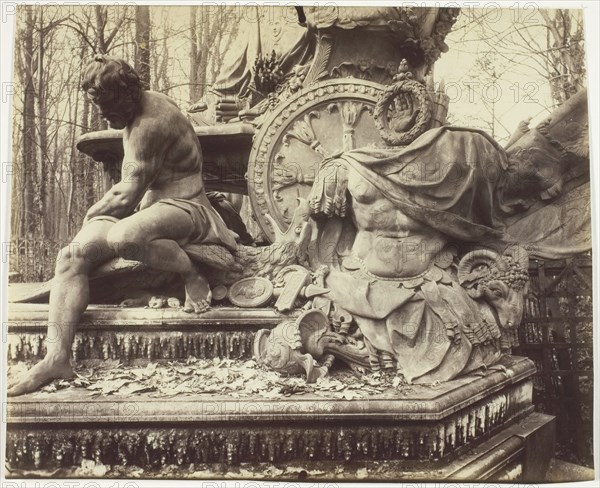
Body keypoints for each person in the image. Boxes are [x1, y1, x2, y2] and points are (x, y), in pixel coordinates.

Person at [8, 55, 238, 396]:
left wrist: (90, 216)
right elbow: (128, 197)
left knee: (123, 237)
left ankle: (191, 273)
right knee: (71, 256)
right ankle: (56, 357)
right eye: (99, 106)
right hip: (150, 209)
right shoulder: (132, 116)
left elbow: (124, 198)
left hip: (187, 209)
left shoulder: (150, 123)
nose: (104, 115)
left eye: (109, 105)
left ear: (129, 94)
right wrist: (92, 225)